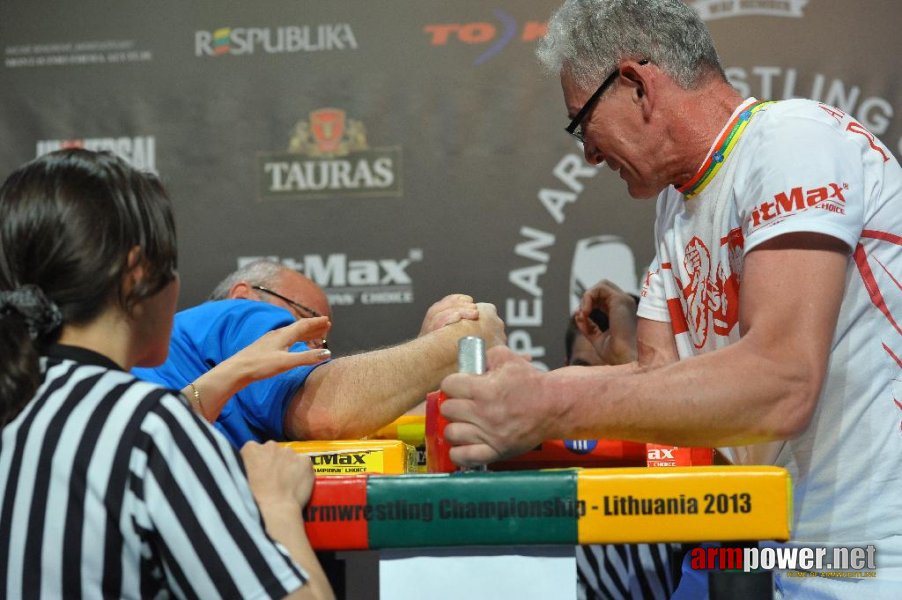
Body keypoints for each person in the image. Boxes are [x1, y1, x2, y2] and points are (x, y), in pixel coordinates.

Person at [440, 0, 902, 596]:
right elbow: (662, 380)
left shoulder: (793, 142)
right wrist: (517, 385)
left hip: (875, 558)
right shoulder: (678, 202)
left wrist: (549, 401)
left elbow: (783, 382)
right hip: (787, 554)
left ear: (635, 83)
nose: (588, 154)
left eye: (582, 123)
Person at [0, 149, 333, 599]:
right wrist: (275, 504)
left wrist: (227, 376)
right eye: (171, 265)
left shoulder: (21, 397)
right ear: (137, 276)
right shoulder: (153, 429)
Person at [135, 259, 506, 449]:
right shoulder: (235, 317)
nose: (316, 348)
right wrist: (464, 337)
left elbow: (358, 419)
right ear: (244, 296)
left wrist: (420, 359)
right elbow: (325, 411)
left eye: (322, 340)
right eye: (308, 322)